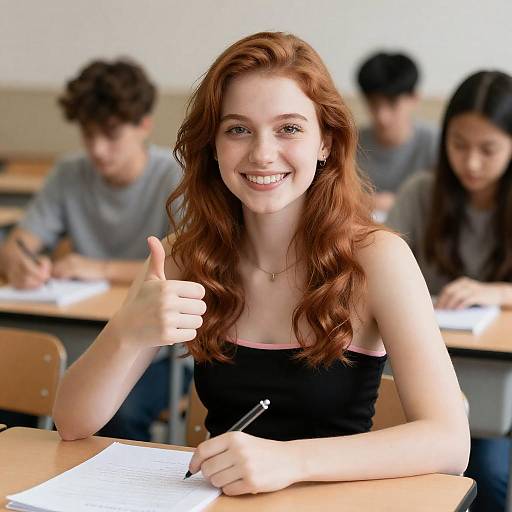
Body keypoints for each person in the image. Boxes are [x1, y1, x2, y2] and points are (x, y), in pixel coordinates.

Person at [53, 32, 469, 495]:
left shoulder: (378, 259)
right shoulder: (183, 257)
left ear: (325, 142)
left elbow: (450, 442)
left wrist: (289, 460)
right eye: (238, 129)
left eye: (289, 128)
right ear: (212, 145)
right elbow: (71, 423)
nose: (262, 153)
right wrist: (126, 330)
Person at [0, 58, 184, 441]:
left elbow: (187, 265)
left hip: (154, 351)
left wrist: (97, 268)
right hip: (74, 342)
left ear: (143, 125)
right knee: (12, 396)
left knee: (120, 415)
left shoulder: (176, 174)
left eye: (111, 134)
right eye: (88, 134)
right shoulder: (69, 172)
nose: (98, 149)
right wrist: (17, 259)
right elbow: (21, 240)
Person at [387, 70, 512, 512]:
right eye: (459, 145)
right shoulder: (423, 192)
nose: (471, 163)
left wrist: (497, 292)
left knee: (491, 475)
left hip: (495, 384)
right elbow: (375, 260)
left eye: (488, 149)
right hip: (420, 370)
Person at [356, 52, 438, 214]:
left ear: (414, 98)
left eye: (392, 104)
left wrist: (395, 202)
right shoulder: (351, 143)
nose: (382, 116)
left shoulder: (435, 143)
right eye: (374, 104)